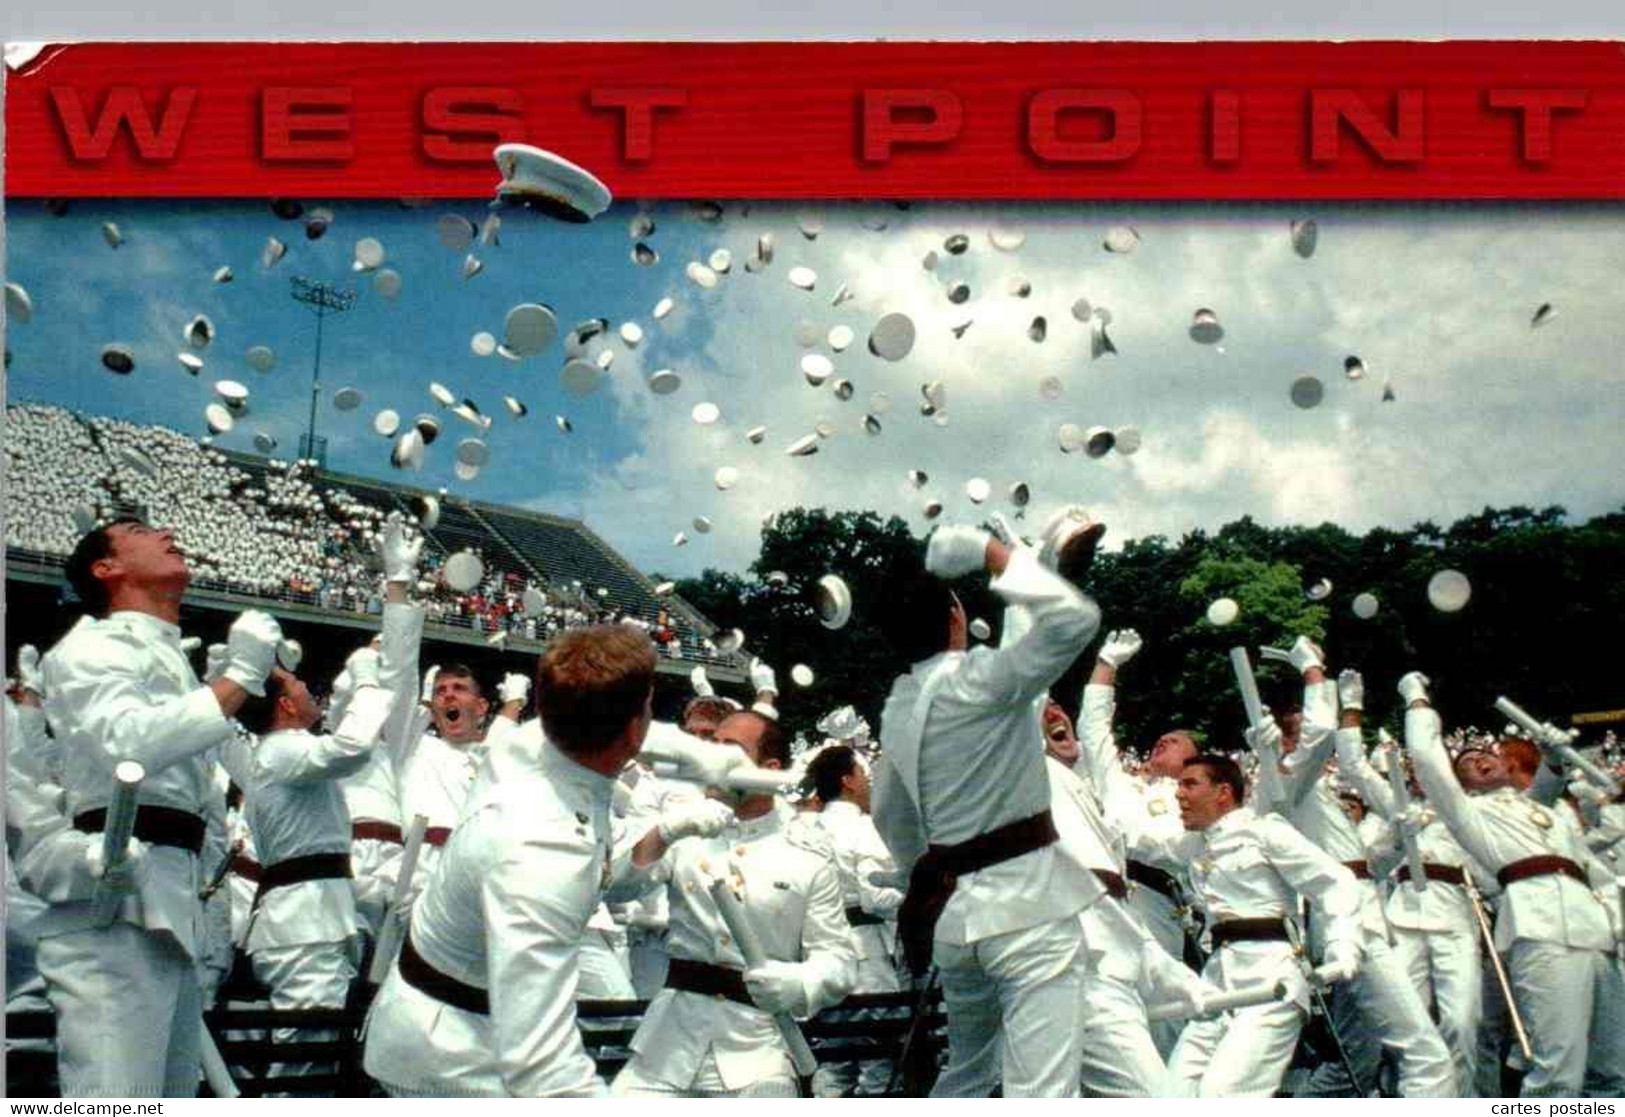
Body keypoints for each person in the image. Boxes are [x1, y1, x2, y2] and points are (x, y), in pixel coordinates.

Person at [35, 518, 283, 1096]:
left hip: (173, 896)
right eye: (138, 531)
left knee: (166, 1093)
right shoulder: (92, 644)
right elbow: (129, 745)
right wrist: (238, 680)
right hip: (116, 895)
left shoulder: (168, 656)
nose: (169, 531)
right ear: (107, 568)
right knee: (112, 1095)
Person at [362, 625, 659, 1096]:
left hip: (468, 1008)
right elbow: (542, 1066)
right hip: (448, 1054)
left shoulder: (528, 751)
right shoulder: (542, 846)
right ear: (632, 729)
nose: (448, 697)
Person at [872, 522, 1103, 1097]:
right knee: (1042, 1092)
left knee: (967, 1079)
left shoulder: (897, 706)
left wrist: (928, 871)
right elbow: (1076, 620)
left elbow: (890, 817)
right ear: (955, 619)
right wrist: (993, 555)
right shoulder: (980, 679)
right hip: (1027, 907)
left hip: (956, 920)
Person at [1400, 671, 1625, 1098]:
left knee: (1611, 1076)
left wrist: (1554, 756)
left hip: (1596, 932)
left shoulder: (1543, 808)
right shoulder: (1468, 814)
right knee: (1557, 1077)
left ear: (1509, 764)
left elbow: (1549, 786)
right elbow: (1427, 760)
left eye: (1488, 753)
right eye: (1466, 761)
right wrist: (1416, 700)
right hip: (1540, 931)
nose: (1480, 759)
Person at [612, 710, 858, 1097]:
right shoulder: (687, 828)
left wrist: (796, 983)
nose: (712, 761)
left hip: (756, 1047)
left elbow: (838, 962)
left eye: (730, 751)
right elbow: (615, 888)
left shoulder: (807, 854)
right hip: (668, 1044)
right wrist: (663, 832)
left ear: (769, 768)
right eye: (711, 748)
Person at [1265, 645, 1456, 1098]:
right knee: (1424, 1053)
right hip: (1346, 917)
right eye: (1286, 739)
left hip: (1365, 905)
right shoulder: (1280, 786)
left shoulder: (1308, 793)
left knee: (1358, 1060)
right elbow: (1322, 734)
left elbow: (1370, 862)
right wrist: (1313, 671)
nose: (1296, 746)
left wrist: (1395, 834)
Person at [231, 639, 397, 1090]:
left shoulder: (282, 752)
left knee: (315, 1059)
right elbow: (353, 747)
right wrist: (365, 679)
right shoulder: (281, 750)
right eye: (297, 683)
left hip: (314, 917)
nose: (307, 688)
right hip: (303, 927)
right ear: (285, 704)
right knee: (302, 1062)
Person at [1167, 752, 1363, 1097]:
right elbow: (1136, 841)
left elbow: (1336, 882)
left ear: (1223, 792)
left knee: (1225, 1094)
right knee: (1172, 1091)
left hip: (1272, 979)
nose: (1178, 794)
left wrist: (1342, 947)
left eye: (1190, 784)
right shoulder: (1195, 845)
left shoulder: (1264, 831)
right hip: (1218, 982)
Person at [1331, 677, 1491, 1095]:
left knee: (1461, 1021)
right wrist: (1352, 705)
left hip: (1456, 916)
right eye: (1415, 771)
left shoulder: (1470, 811)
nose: (1420, 775)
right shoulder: (1398, 803)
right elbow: (1353, 766)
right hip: (1403, 916)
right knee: (1409, 1023)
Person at [1077, 628, 1203, 1054]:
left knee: (1166, 1019)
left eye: (1172, 743)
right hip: (1109, 901)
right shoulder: (1121, 787)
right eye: (1157, 741)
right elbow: (1093, 733)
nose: (1158, 744)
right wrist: (1106, 667)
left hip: (1159, 908)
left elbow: (1187, 852)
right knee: (1112, 1018)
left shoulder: (1191, 801)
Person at [806, 744, 904, 1097]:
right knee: (880, 1063)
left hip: (818, 957)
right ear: (848, 781)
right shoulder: (863, 828)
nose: (868, 783)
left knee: (834, 1062)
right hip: (866, 961)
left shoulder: (803, 830)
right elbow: (875, 896)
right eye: (864, 775)